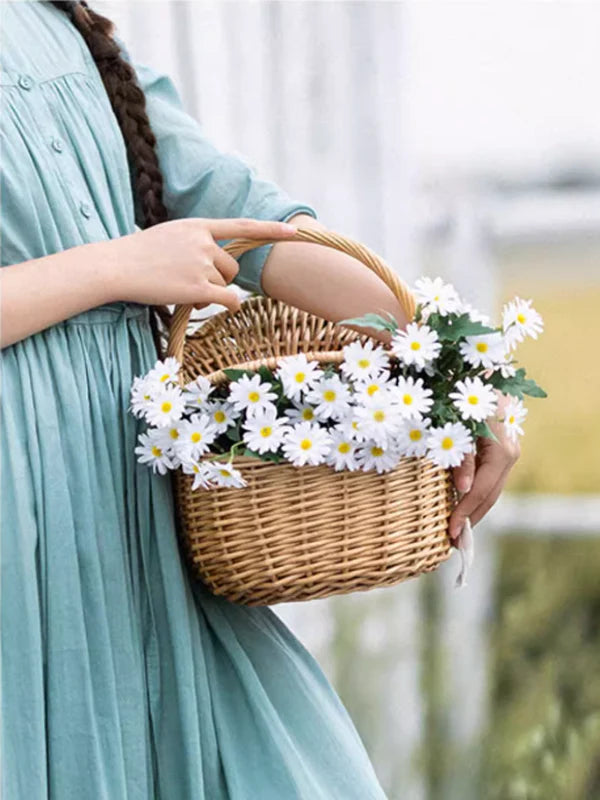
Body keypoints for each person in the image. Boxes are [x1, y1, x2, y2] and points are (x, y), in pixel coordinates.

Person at [0, 2, 520, 797]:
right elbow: (155, 254)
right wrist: (116, 267)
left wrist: (453, 363)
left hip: (133, 509)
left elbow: (253, 230)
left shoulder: (60, 20)